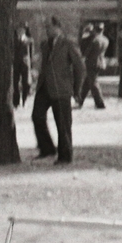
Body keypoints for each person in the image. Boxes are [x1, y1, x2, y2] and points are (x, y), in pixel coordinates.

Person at [32, 16, 86, 164]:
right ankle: (47, 148)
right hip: (44, 88)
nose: (46, 30)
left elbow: (80, 67)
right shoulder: (44, 45)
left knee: (63, 123)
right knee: (37, 115)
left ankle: (65, 155)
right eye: (45, 28)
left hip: (61, 89)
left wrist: (76, 89)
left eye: (49, 27)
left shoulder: (68, 44)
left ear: (58, 27)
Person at [77, 23, 109, 110]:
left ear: (95, 30)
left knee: (93, 83)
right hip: (101, 62)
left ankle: (100, 103)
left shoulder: (94, 40)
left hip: (91, 63)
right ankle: (80, 100)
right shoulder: (106, 40)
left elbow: (87, 51)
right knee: (88, 82)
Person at [12, 24, 33, 107]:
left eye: (22, 30)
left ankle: (24, 99)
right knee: (15, 83)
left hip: (25, 64)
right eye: (18, 29)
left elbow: (31, 52)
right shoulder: (13, 40)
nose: (20, 31)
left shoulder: (29, 40)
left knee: (25, 83)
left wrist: (30, 62)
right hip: (16, 63)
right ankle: (16, 101)